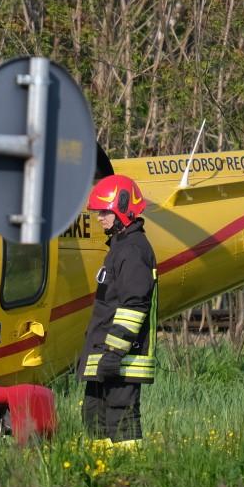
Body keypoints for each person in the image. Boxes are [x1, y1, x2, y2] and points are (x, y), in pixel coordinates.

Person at [77, 174, 157, 446]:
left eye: (104, 211)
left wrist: (113, 353)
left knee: (121, 422)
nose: (99, 218)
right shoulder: (119, 248)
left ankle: (128, 479)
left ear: (123, 208)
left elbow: (134, 305)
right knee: (94, 418)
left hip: (121, 359)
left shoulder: (133, 250)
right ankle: (101, 476)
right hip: (106, 357)